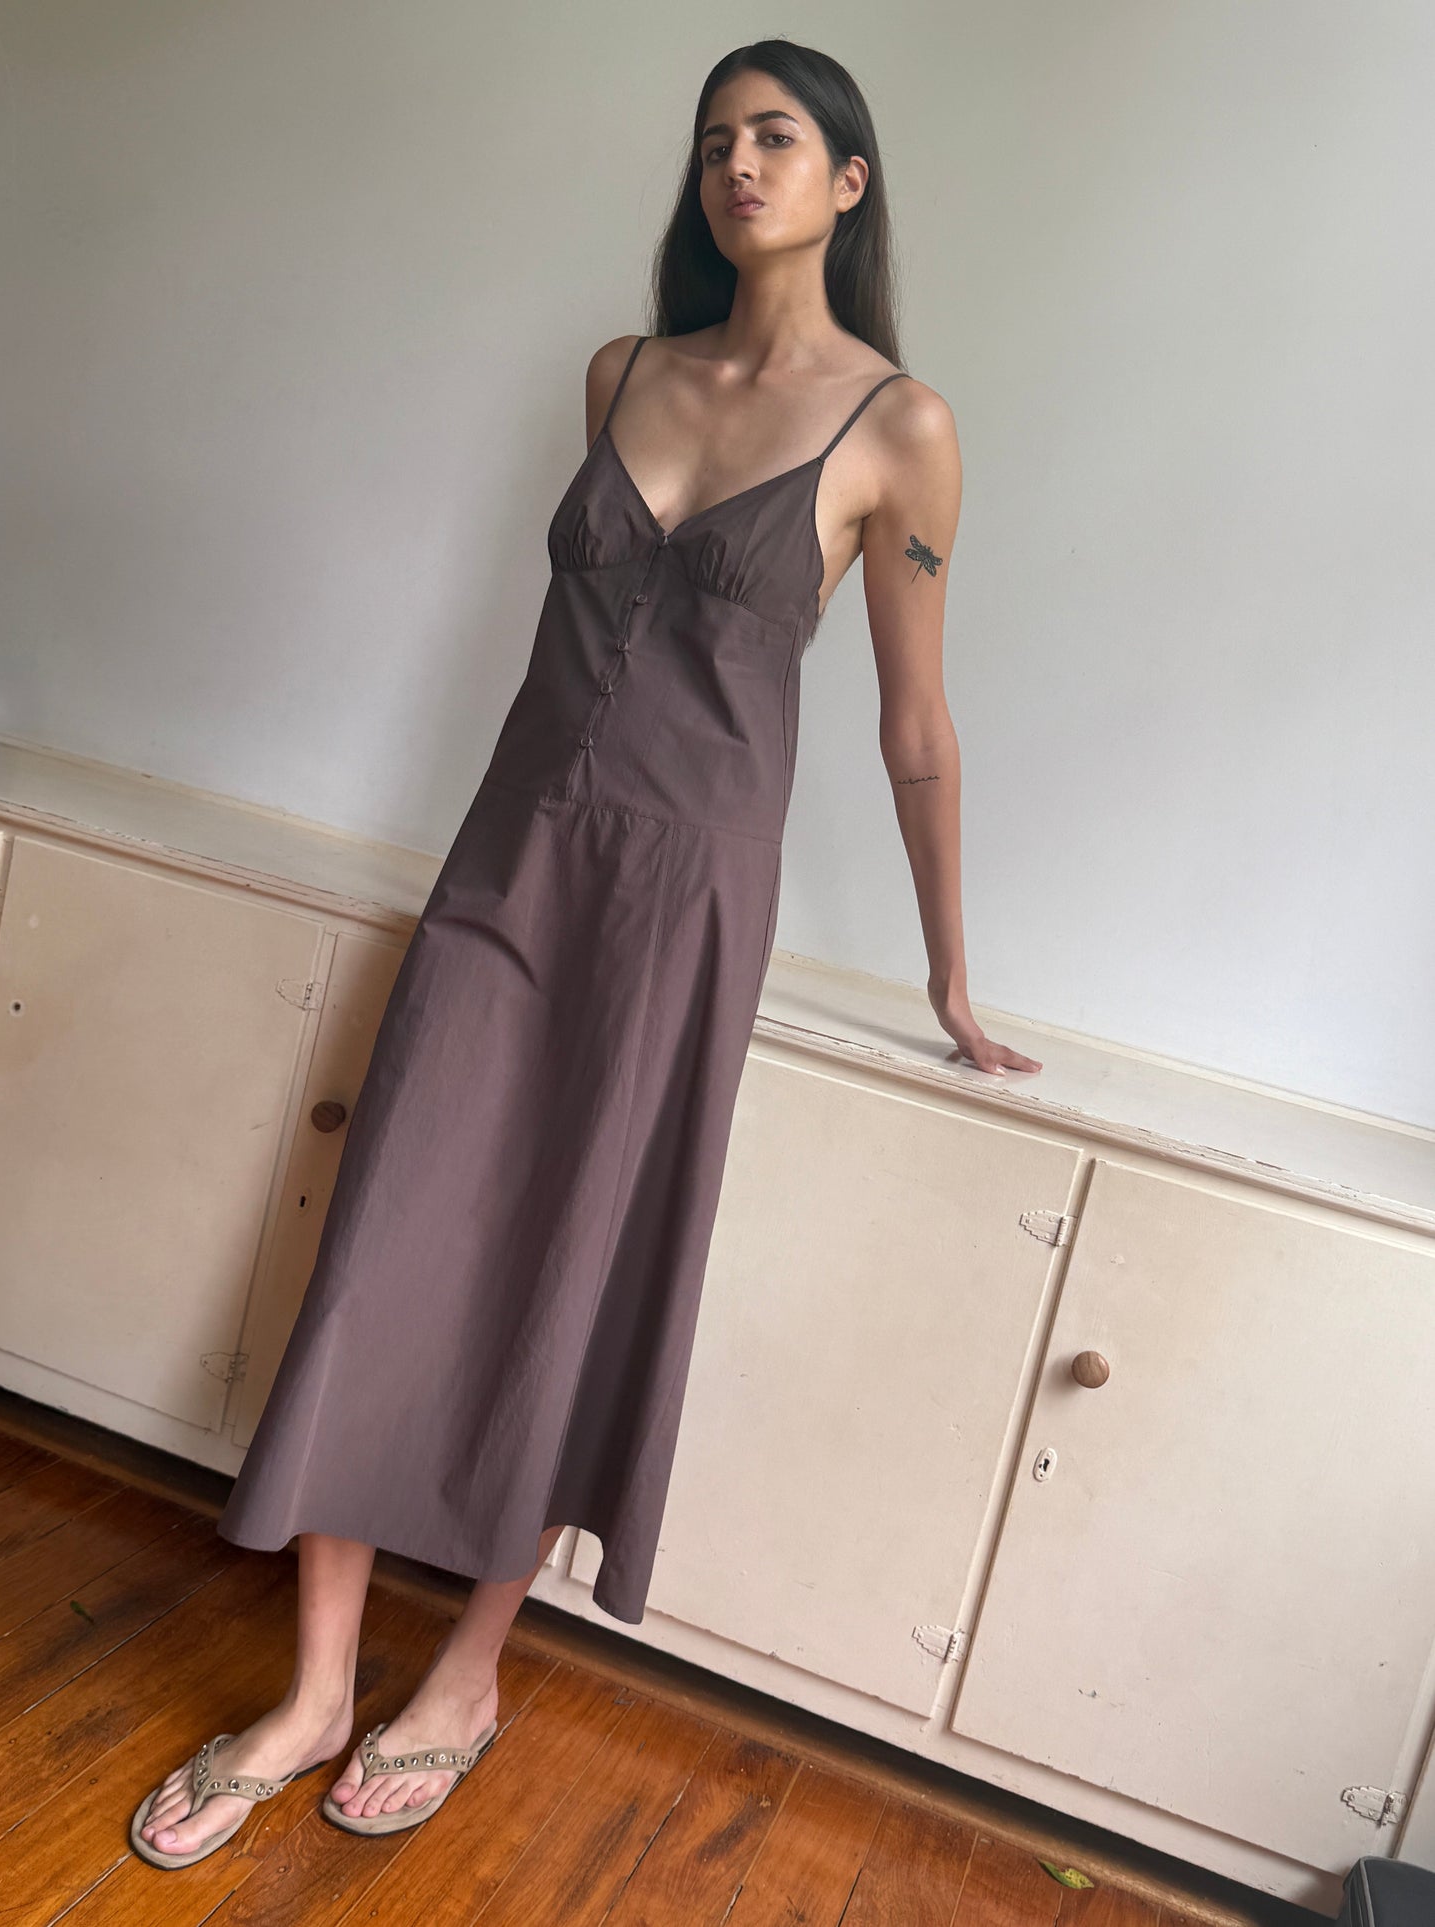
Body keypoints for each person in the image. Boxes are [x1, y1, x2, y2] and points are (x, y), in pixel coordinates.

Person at [131, 37, 1041, 1868]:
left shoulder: (900, 429)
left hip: (684, 898)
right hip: (508, 855)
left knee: (583, 1268)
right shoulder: (619, 374)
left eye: (777, 138)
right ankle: (315, 1686)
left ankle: (464, 1670)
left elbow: (915, 728)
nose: (739, 167)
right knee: (392, 1224)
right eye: (715, 142)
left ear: (849, 181)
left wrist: (952, 975)